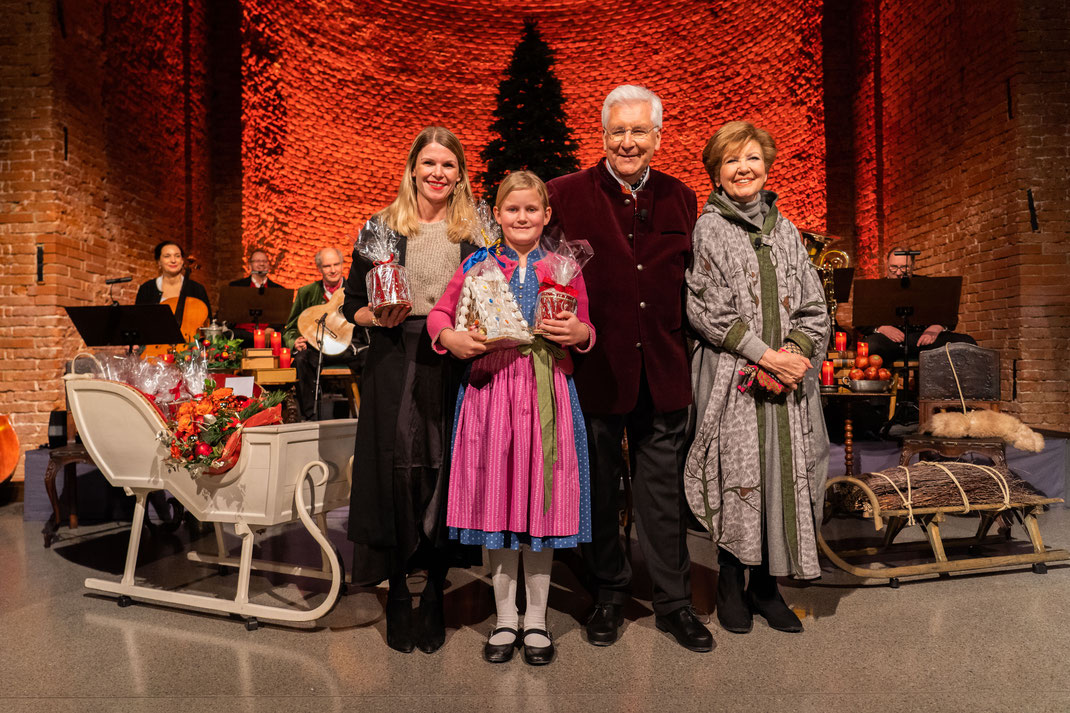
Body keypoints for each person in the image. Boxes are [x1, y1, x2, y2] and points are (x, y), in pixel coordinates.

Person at [546, 85, 712, 652]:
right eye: (618, 131)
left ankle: (674, 603)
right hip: (592, 370)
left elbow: (699, 285)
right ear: (603, 136)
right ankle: (609, 593)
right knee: (598, 491)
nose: (628, 141)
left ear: (658, 137)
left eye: (639, 131)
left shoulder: (683, 197)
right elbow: (539, 276)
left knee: (662, 494)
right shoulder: (562, 195)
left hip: (663, 371)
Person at [428, 171, 594, 666]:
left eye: (531, 210)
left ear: (546, 215)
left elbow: (587, 327)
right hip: (491, 395)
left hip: (547, 394)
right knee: (496, 502)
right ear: (496, 214)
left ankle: (537, 619)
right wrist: (451, 338)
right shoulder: (478, 264)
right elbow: (440, 314)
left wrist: (577, 330)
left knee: (541, 505)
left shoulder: (565, 267)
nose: (522, 218)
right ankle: (504, 618)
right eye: (512, 210)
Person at [685, 121, 831, 635]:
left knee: (782, 475)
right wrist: (766, 354)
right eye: (731, 161)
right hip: (733, 375)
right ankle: (730, 582)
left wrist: (796, 353)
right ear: (716, 173)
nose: (743, 169)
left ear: (767, 167)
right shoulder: (709, 228)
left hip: (788, 381)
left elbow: (815, 304)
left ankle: (768, 588)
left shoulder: (787, 230)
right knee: (736, 477)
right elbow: (706, 309)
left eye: (751, 159)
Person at [342, 126, 479, 655]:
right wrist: (376, 314)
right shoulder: (380, 227)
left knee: (445, 468)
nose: (438, 173)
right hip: (394, 353)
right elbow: (353, 305)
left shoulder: (475, 230)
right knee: (395, 471)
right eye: (430, 164)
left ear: (460, 173)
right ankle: (398, 589)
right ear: (413, 169)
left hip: (454, 356)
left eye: (449, 165)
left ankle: (436, 592)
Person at [282, 248, 366, 421]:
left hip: (349, 349)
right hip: (318, 348)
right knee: (301, 359)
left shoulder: (355, 290)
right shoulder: (307, 292)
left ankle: (368, 415)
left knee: (371, 356)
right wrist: (293, 342)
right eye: (327, 266)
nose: (333, 270)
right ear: (319, 268)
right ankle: (309, 416)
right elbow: (289, 328)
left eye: (336, 264)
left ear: (343, 265)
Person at [861, 248, 976, 363]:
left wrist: (936, 327)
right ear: (887, 265)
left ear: (913, 266)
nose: (899, 272)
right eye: (894, 267)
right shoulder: (875, 288)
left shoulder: (927, 285)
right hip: (889, 341)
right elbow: (862, 321)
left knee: (967, 342)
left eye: (904, 267)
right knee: (871, 345)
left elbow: (949, 315)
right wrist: (882, 328)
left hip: (922, 339)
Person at [135, 240, 212, 326]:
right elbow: (139, 323)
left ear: (182, 261)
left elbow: (208, 323)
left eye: (177, 256)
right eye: (167, 256)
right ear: (159, 262)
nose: (173, 260)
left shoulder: (197, 289)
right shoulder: (147, 289)